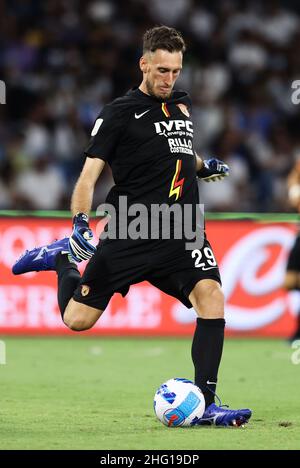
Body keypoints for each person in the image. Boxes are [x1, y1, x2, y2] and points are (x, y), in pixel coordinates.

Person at [13, 26, 251, 427]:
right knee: (77, 321)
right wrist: (79, 223)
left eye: (175, 71)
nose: (168, 79)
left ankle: (207, 402)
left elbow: (179, 152)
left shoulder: (181, 106)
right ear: (144, 64)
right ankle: (62, 264)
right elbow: (88, 177)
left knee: (211, 296)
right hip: (132, 230)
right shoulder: (118, 113)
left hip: (182, 230)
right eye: (161, 70)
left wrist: (202, 165)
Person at [284, 158, 300, 341]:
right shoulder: (295, 185)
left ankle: (298, 331)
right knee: (290, 282)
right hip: (299, 238)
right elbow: (294, 199)